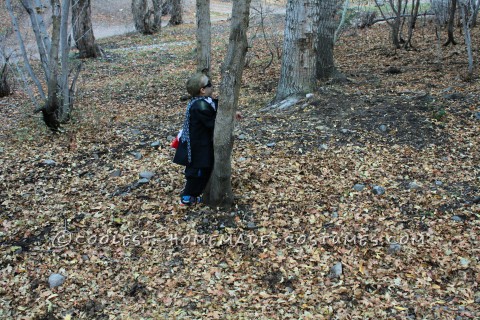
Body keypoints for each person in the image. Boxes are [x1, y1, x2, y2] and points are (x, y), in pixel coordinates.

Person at [173, 72, 218, 206]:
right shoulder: (200, 106)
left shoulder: (202, 101)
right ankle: (187, 197)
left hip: (201, 144)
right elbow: (213, 122)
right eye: (210, 84)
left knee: (201, 170)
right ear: (202, 90)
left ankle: (193, 193)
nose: (212, 86)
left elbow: (215, 104)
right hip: (198, 147)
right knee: (197, 172)